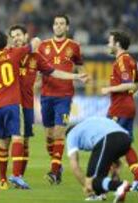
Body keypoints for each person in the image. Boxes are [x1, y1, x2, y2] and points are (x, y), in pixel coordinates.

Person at [0, 24, 88, 179]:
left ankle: (22, 177)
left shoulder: (36, 58)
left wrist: (76, 76)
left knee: (25, 142)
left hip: (27, 106)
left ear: (25, 36)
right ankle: (1, 179)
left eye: (19, 35)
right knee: (4, 141)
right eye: (13, 36)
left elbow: (54, 72)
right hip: (7, 104)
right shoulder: (6, 54)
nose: (16, 38)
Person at [38, 14, 84, 184]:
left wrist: (82, 76)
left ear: (67, 27)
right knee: (49, 136)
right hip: (46, 95)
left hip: (64, 97)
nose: (58, 26)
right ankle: (56, 164)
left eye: (61, 23)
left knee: (59, 132)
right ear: (53, 26)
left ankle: (54, 171)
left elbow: (80, 66)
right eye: (56, 23)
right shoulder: (43, 46)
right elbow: (38, 69)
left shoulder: (74, 46)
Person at [101, 30, 138, 191]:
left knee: (108, 143)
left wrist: (109, 89)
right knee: (125, 146)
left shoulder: (122, 61)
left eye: (110, 41)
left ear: (117, 44)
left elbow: (128, 84)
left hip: (119, 109)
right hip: (126, 106)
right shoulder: (130, 60)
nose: (108, 44)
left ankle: (103, 181)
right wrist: (129, 95)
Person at [66, 117, 132, 203]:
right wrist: (115, 175)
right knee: (99, 176)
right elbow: (116, 163)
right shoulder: (89, 124)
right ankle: (106, 192)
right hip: (126, 139)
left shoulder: (71, 134)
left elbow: (74, 165)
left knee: (92, 181)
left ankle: (120, 185)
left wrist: (87, 186)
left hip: (107, 139)